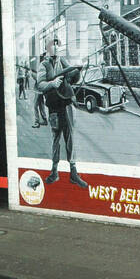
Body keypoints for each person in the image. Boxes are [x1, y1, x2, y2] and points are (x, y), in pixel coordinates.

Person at [36, 38, 88, 187]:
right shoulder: (44, 65)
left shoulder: (63, 61)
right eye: (53, 47)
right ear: (48, 49)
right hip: (54, 107)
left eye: (57, 47)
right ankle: (54, 171)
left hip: (66, 104)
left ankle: (73, 173)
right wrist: (52, 83)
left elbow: (73, 78)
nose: (56, 49)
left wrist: (77, 70)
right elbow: (40, 85)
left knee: (70, 137)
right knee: (56, 139)